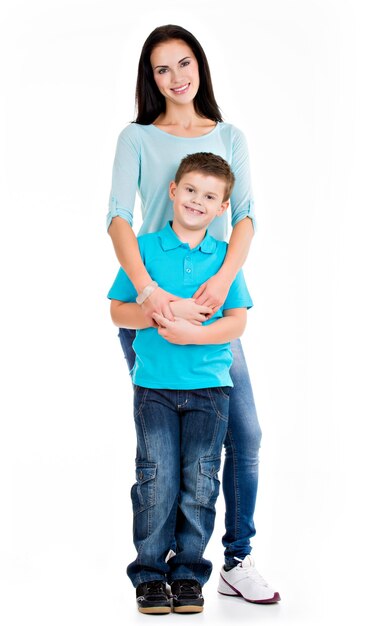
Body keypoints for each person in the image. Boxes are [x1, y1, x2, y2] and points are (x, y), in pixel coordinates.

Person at [107, 24, 280, 604]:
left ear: (200, 66)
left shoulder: (230, 136)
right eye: (162, 69)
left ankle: (236, 558)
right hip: (154, 299)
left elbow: (248, 214)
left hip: (212, 305)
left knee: (244, 434)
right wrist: (150, 294)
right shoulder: (136, 138)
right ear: (150, 79)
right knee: (163, 458)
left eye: (185, 63)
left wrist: (224, 278)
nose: (177, 78)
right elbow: (118, 218)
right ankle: (158, 572)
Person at [108, 152, 253, 614]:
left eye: (209, 196)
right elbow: (118, 312)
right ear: (172, 191)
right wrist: (157, 313)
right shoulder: (146, 250)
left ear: (221, 208)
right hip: (153, 386)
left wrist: (197, 334)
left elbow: (237, 323)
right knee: (156, 479)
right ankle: (149, 574)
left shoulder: (224, 259)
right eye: (190, 190)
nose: (197, 201)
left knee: (200, 480)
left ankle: (189, 572)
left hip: (211, 389)